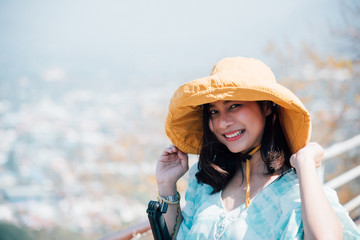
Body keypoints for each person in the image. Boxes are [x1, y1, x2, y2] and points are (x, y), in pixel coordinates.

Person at [155, 57, 360, 239]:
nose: (222, 122)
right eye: (213, 112)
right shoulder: (207, 179)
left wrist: (305, 164)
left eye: (234, 106)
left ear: (267, 106)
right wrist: (166, 186)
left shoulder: (296, 187)